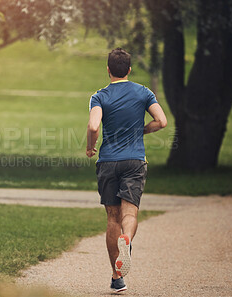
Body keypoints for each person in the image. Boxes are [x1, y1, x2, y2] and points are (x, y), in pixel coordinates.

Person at [86, 48, 167, 293]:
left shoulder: (99, 96)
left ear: (108, 70)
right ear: (129, 70)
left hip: (108, 161)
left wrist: (91, 147)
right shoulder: (144, 92)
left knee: (112, 218)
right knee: (129, 213)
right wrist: (141, 130)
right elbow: (162, 121)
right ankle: (127, 240)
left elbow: (93, 126)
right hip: (134, 160)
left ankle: (116, 277)